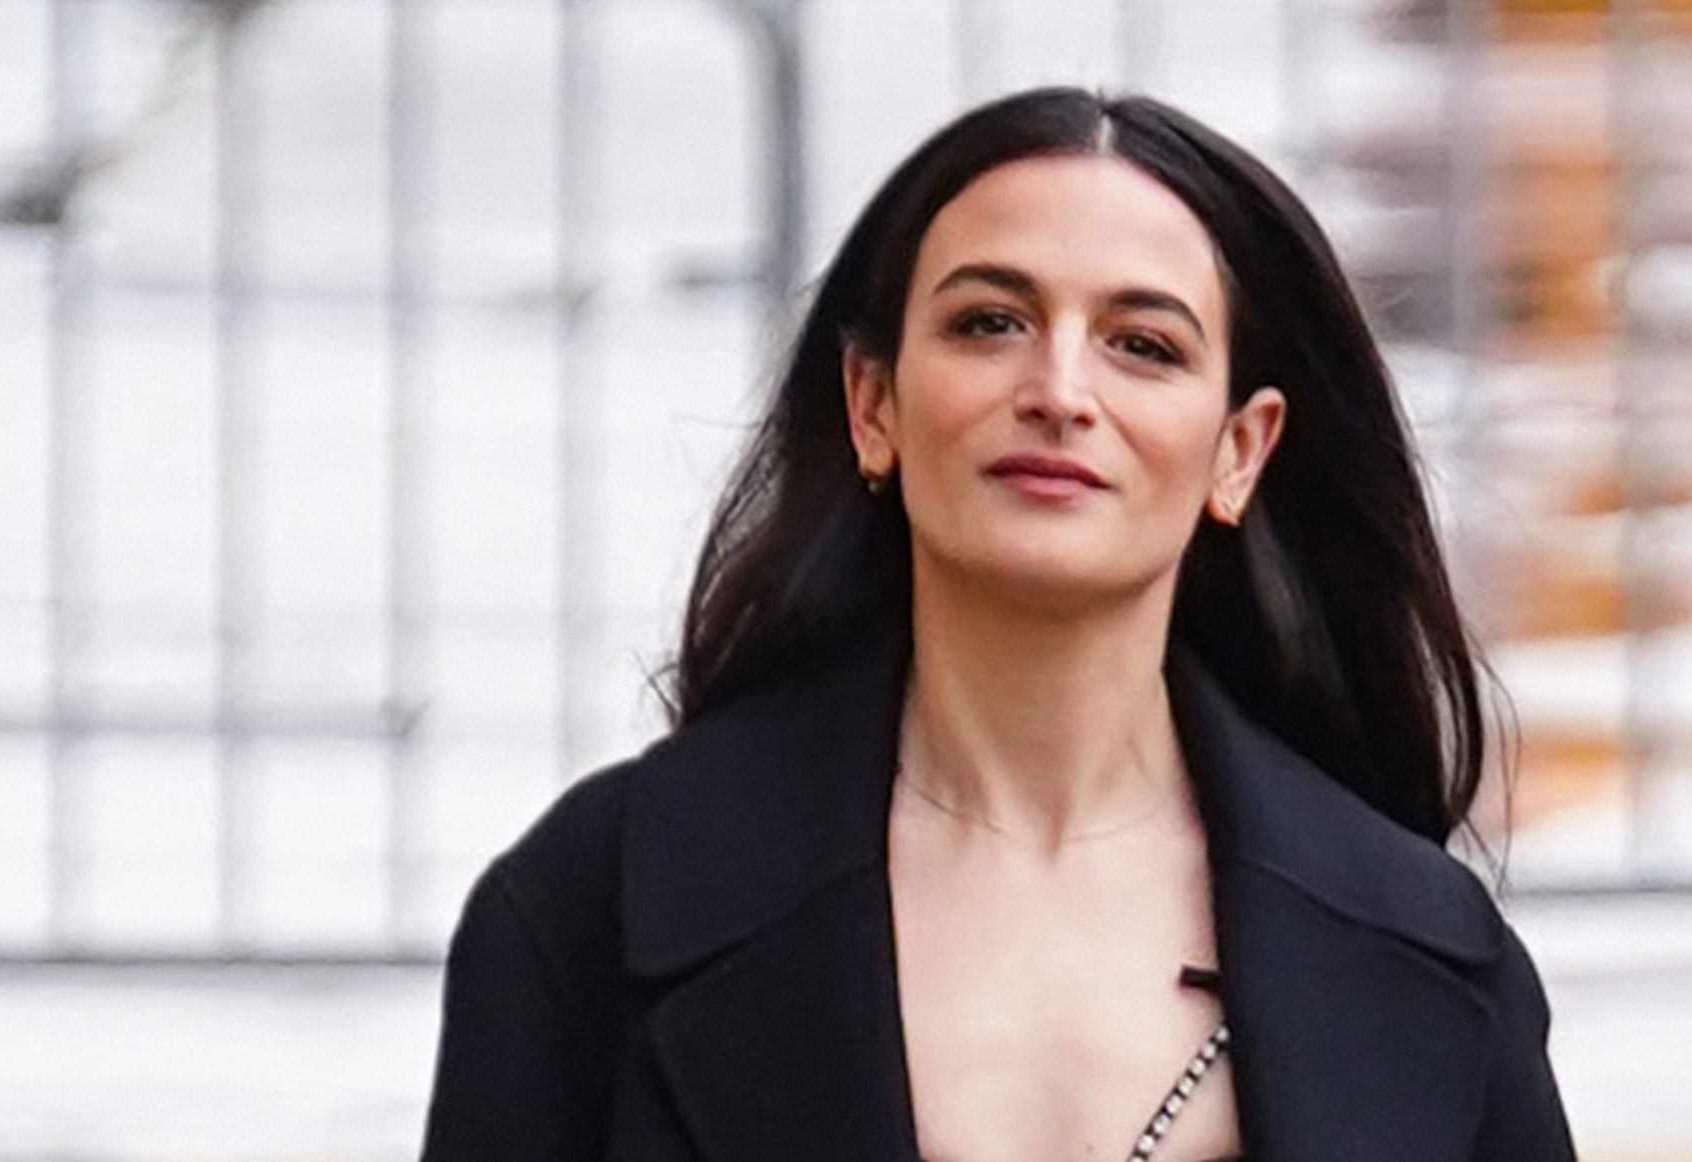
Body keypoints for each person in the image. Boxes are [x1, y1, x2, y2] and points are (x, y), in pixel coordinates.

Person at [419, 85, 1577, 1162]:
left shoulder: (1425, 949)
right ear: (870, 405)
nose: (1059, 391)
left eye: (1143, 345)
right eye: (988, 323)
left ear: (1239, 451)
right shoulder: (589, 906)